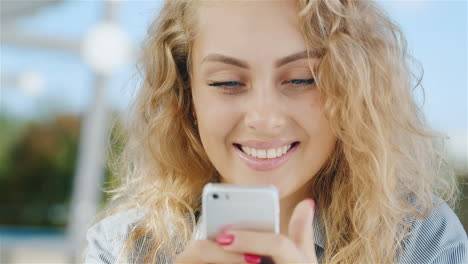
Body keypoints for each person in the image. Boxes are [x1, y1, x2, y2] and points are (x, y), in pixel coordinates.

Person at [85, 0, 467, 263]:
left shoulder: (422, 241)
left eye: (302, 79)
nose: (264, 119)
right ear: (187, 99)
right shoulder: (121, 247)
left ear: (352, 90)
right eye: (227, 82)